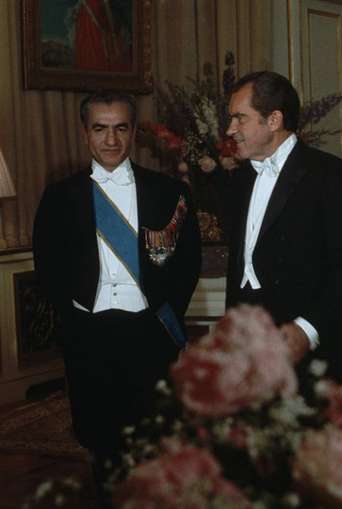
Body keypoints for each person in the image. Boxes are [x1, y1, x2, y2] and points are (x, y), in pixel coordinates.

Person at [32, 92, 201, 499]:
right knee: (100, 440)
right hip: (89, 333)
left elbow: (187, 264)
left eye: (120, 128)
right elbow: (48, 265)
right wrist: (74, 317)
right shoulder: (60, 196)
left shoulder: (167, 191)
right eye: (100, 128)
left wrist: (165, 318)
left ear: (133, 133)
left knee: (152, 440)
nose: (111, 140)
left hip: (148, 332)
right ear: (84, 134)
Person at [224, 71, 342, 383]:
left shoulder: (329, 174)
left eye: (239, 119)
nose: (230, 129)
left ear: (273, 120)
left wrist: (307, 329)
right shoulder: (238, 180)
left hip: (305, 349)